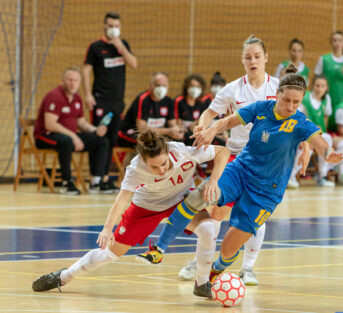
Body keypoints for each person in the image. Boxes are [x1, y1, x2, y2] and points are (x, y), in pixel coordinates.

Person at [136, 65, 343, 299]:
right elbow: (228, 121)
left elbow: (319, 141)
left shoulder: (300, 122)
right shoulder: (261, 108)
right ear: (277, 95)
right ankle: (159, 249)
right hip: (241, 171)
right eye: (287, 100)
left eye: (297, 102)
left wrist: (328, 154)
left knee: (230, 247)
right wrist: (212, 130)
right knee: (201, 194)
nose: (291, 107)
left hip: (266, 193)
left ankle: (212, 276)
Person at [169, 35, 297, 287]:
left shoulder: (278, 88)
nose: (253, 60)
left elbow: (297, 119)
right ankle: (201, 262)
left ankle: (248, 268)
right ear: (242, 59)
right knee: (214, 207)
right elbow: (209, 112)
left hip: (266, 162)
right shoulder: (233, 89)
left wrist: (303, 148)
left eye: (257, 56)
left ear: (266, 58)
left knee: (254, 215)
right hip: (236, 156)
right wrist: (203, 126)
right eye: (248, 56)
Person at [31, 130, 229, 292]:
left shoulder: (183, 151)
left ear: (168, 153)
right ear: (144, 160)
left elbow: (223, 152)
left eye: (164, 163)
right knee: (109, 254)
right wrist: (107, 228)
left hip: (181, 199)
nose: (162, 170)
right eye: (155, 167)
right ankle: (64, 276)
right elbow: (121, 199)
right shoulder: (135, 169)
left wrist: (213, 181)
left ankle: (201, 284)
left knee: (208, 229)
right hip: (147, 207)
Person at [82, 11, 137, 191]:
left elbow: (134, 64)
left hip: (117, 102)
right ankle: (95, 179)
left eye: (116, 26)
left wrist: (119, 44)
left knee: (112, 139)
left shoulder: (123, 45)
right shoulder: (96, 47)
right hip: (100, 101)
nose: (113, 29)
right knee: (99, 138)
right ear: (105, 26)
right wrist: (88, 94)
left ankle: (105, 178)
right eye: (110, 26)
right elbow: (85, 70)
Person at [34, 67, 109, 195]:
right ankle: (66, 182)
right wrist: (74, 136)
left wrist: (95, 130)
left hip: (69, 136)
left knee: (101, 141)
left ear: (79, 82)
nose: (73, 83)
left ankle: (96, 181)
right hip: (45, 136)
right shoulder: (55, 96)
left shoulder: (77, 98)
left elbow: (81, 122)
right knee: (67, 141)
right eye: (69, 80)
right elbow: (50, 124)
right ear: (62, 81)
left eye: (75, 80)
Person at [295, 75, 343, 187]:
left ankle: (341, 175)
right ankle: (322, 175)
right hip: (304, 134)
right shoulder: (304, 99)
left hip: (320, 134)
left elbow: (324, 123)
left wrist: (319, 131)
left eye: (322, 86)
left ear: (326, 88)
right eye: (317, 85)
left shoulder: (327, 99)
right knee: (326, 138)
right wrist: (313, 128)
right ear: (312, 86)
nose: (319, 88)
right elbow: (298, 120)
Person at [118, 72, 183, 147]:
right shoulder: (143, 99)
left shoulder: (168, 101)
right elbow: (142, 129)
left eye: (164, 86)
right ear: (151, 86)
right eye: (158, 85)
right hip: (131, 132)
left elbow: (173, 126)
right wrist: (168, 131)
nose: (161, 88)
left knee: (178, 140)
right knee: (148, 140)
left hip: (156, 134)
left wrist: (177, 132)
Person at [174, 74, 207, 146]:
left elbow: (202, 119)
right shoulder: (178, 101)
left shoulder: (201, 103)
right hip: (180, 133)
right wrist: (181, 128)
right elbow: (176, 119)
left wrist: (195, 123)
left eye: (198, 87)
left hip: (194, 133)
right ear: (187, 87)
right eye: (192, 86)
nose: (195, 89)